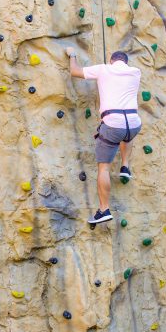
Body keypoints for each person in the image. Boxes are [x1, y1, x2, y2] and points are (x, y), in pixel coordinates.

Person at [65, 47, 143, 224]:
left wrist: (73, 54)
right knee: (126, 134)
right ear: (126, 62)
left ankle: (104, 209)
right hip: (134, 122)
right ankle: (125, 166)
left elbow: (75, 71)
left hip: (112, 122)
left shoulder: (103, 69)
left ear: (111, 60)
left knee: (104, 168)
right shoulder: (135, 72)